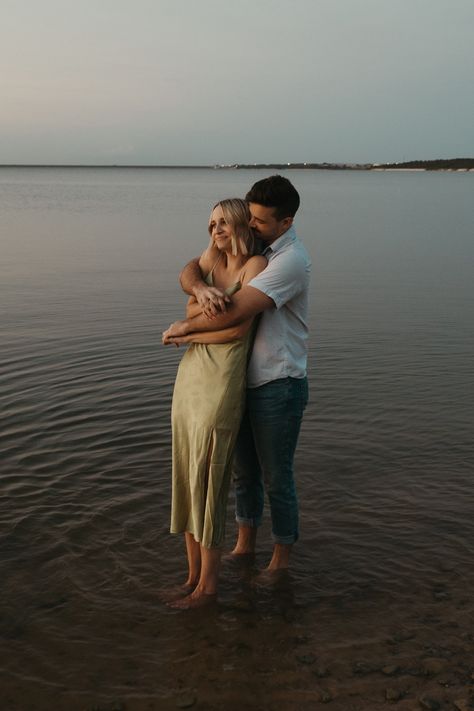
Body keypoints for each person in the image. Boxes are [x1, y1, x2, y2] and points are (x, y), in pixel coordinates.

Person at [163, 175, 311, 575]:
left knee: (276, 477)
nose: (252, 226)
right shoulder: (254, 246)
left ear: (286, 222)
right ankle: (245, 546)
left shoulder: (288, 261)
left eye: (260, 222)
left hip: (278, 383)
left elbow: (233, 313)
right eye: (250, 219)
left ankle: (281, 558)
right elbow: (192, 268)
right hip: (241, 380)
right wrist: (199, 288)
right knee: (245, 475)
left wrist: (184, 325)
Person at [164, 198, 266, 609]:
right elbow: (187, 283)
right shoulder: (213, 257)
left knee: (209, 479)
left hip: (221, 380)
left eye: (222, 223)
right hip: (190, 378)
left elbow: (234, 332)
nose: (215, 230)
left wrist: (186, 333)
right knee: (188, 474)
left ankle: (209, 589)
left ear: (241, 223)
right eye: (210, 224)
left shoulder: (253, 267)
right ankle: (191, 579)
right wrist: (202, 291)